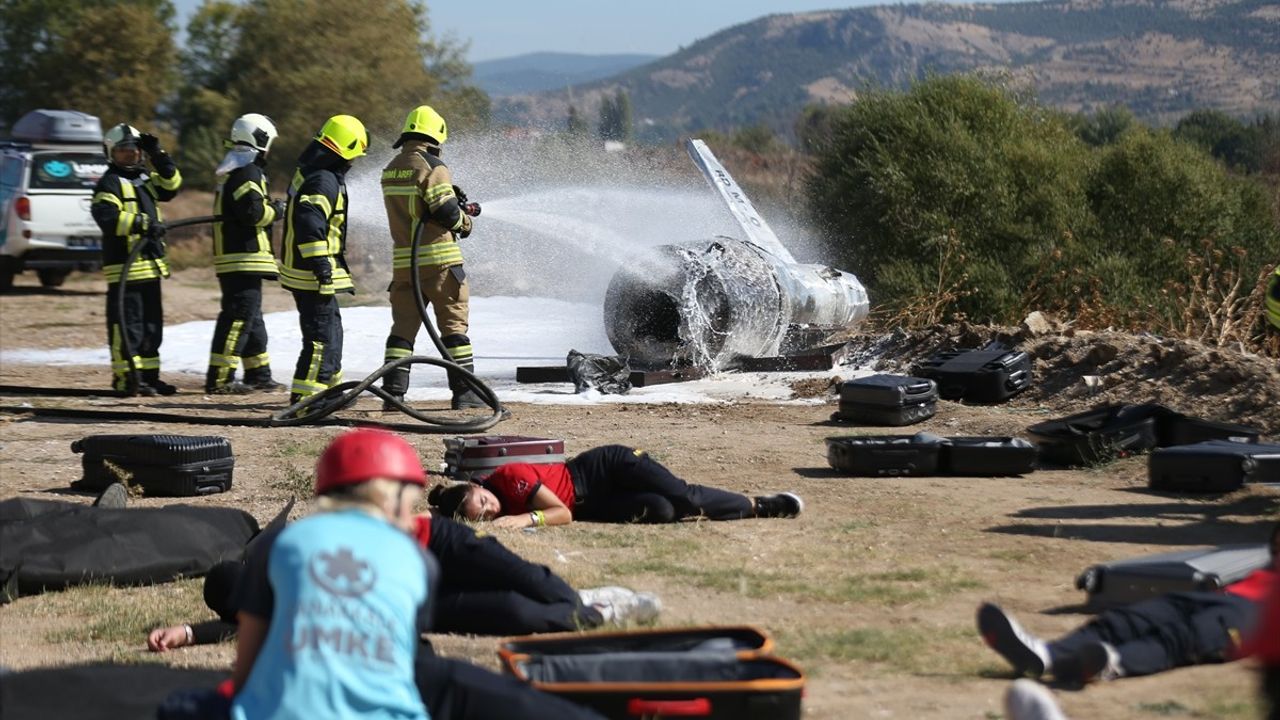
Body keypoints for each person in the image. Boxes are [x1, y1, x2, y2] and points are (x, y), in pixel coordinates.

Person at [229, 428, 432, 719]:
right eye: (411, 500)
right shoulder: (421, 562)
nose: (412, 518)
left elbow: (246, 669)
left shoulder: (278, 544)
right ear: (392, 496)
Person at [977, 522, 1279, 684]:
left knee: (1182, 638)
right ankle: (1049, 655)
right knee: (1130, 619)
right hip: (1224, 595)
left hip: (1260, 616)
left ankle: (1112, 663)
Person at [379, 105, 483, 411]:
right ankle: (466, 394)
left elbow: (419, 207)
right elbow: (447, 213)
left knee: (402, 331)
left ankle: (392, 396)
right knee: (453, 328)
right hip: (440, 266)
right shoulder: (433, 166)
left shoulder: (392, 167)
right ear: (435, 137)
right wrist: (466, 220)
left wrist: (449, 196)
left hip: (404, 268)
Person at [428, 444, 804, 527]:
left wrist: (523, 520)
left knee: (683, 497)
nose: (493, 508)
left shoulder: (509, 478)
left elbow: (559, 513)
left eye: (486, 501)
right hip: (590, 504)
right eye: (485, 514)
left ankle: (760, 504)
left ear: (477, 487)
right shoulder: (481, 503)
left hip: (602, 471)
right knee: (663, 512)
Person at [278, 115, 366, 410]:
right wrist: (320, 262)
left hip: (306, 272)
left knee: (332, 331)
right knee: (321, 337)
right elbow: (309, 220)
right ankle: (308, 399)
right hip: (311, 274)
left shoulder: (313, 172)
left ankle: (331, 392)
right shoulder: (323, 180)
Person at [90, 123, 183, 396]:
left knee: (152, 328)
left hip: (150, 268)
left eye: (134, 151)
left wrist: (158, 153)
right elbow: (106, 217)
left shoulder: (144, 177)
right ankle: (127, 379)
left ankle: (150, 378)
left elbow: (172, 185)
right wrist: (142, 223)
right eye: (123, 152)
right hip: (125, 269)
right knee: (127, 327)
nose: (129, 156)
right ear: (111, 153)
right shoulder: (109, 182)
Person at [205, 114, 287, 395]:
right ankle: (220, 379)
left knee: (252, 320)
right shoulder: (248, 172)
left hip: (240, 260)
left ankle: (258, 375)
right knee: (238, 318)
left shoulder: (238, 170)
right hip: (242, 259)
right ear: (261, 140)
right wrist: (277, 210)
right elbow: (253, 213)